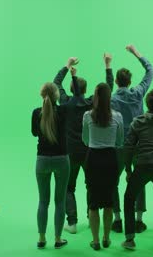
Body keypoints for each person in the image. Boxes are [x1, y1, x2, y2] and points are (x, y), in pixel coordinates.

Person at [53, 55, 114, 234]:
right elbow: (108, 89)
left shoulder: (64, 102)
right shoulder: (90, 104)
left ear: (71, 89)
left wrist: (67, 65)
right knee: (90, 184)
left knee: (68, 187)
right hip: (89, 151)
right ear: (86, 90)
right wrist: (108, 66)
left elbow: (56, 83)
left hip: (69, 152)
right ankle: (91, 216)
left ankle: (71, 222)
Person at [121, 87, 153, 250]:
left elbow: (128, 147)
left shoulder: (137, 122)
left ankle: (129, 239)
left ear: (147, 104)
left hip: (142, 166)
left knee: (129, 200)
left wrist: (128, 169)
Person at [110, 45, 153, 233]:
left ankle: (118, 218)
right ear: (130, 81)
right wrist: (136, 53)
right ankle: (138, 219)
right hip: (139, 144)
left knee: (113, 181)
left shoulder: (112, 99)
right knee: (139, 179)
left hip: (119, 145)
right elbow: (150, 70)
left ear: (116, 82)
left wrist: (107, 65)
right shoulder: (138, 93)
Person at [82, 83, 124, 250]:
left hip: (93, 158)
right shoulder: (118, 116)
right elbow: (120, 141)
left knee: (93, 201)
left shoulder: (87, 115)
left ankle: (96, 240)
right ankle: (106, 237)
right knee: (108, 201)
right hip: (110, 159)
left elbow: (85, 139)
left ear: (96, 97)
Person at [31, 83, 70, 249]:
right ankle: (58, 238)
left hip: (42, 160)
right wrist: (69, 71)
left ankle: (41, 238)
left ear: (41, 95)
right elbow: (70, 99)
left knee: (43, 201)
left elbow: (34, 133)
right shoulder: (63, 111)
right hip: (62, 160)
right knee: (60, 202)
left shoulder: (36, 113)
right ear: (57, 96)